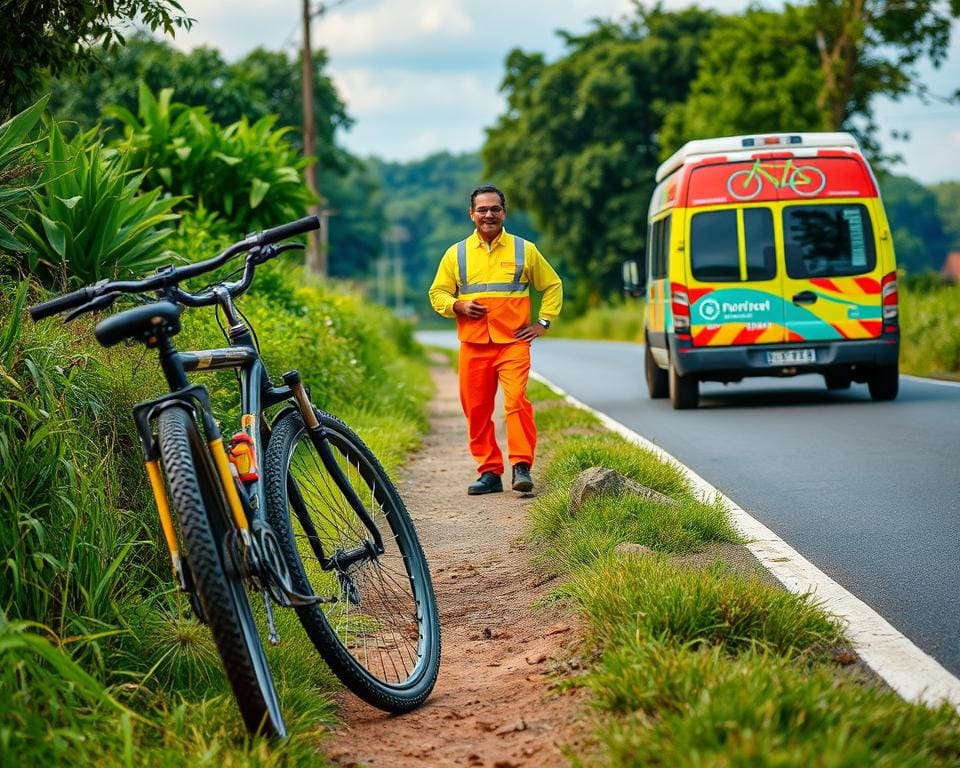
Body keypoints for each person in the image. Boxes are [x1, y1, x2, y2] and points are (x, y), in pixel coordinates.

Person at [429, 184, 563, 495]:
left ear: (504, 212)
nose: (489, 214)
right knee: (475, 409)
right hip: (473, 345)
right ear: (471, 214)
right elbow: (437, 293)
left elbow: (552, 284)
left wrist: (543, 322)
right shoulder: (456, 253)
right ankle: (489, 472)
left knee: (516, 402)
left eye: (495, 209)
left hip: (513, 343)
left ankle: (521, 466)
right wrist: (457, 305)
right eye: (482, 209)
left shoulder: (524, 250)